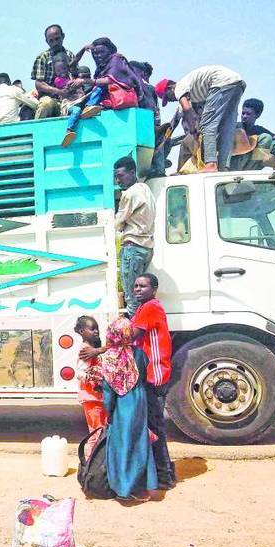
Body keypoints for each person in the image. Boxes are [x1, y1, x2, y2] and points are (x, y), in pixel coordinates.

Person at [100, 317, 158, 501]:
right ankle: (144, 485)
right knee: (140, 441)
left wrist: (109, 412)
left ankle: (123, 488)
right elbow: (143, 372)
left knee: (122, 443)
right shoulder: (139, 354)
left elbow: (109, 391)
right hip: (139, 400)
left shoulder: (109, 359)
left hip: (122, 405)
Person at [62, 38, 153, 147]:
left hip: (124, 96)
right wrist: (82, 50)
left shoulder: (116, 60)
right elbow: (72, 66)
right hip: (109, 100)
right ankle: (72, 126)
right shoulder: (102, 66)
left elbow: (110, 80)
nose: (98, 56)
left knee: (100, 87)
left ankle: (89, 106)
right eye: (95, 53)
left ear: (110, 51)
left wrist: (84, 81)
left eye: (101, 52)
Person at [130, 273, 176, 489]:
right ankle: (161, 472)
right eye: (136, 286)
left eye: (143, 286)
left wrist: (99, 349)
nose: (138, 289)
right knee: (152, 426)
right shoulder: (142, 308)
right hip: (149, 374)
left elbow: (129, 335)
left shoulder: (150, 307)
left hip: (155, 375)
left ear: (154, 289)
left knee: (155, 428)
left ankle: (165, 476)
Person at [156, 65, 246, 172]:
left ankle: (211, 163)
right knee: (227, 129)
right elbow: (176, 120)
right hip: (237, 84)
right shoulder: (191, 89)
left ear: (170, 88)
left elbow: (187, 109)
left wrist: (194, 131)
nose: (171, 100)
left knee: (207, 126)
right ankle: (223, 167)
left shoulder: (179, 87)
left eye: (168, 97)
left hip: (221, 83)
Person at [114, 156, 155, 316]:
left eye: (120, 176)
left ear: (132, 172)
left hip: (132, 249)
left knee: (132, 298)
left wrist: (121, 225)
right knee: (142, 298)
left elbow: (118, 223)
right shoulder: (145, 189)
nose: (118, 181)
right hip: (146, 248)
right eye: (116, 177)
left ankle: (134, 338)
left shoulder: (129, 194)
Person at [74, 315, 106, 459]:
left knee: (100, 430)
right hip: (91, 398)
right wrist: (94, 380)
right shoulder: (86, 350)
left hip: (96, 398)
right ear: (81, 331)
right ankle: (89, 462)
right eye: (92, 329)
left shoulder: (92, 348)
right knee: (96, 432)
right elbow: (80, 372)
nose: (96, 332)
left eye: (97, 329)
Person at [230, 98, 275, 171]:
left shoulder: (258, 130)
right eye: (243, 113)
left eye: (248, 114)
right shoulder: (235, 127)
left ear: (257, 115)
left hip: (251, 163)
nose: (244, 116)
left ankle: (253, 169)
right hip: (234, 162)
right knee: (266, 137)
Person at [31, 24, 76, 119]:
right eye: (51, 41)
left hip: (69, 98)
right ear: (47, 42)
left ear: (63, 36)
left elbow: (75, 76)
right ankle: (38, 131)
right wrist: (59, 92)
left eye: (57, 39)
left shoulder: (70, 55)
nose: (55, 43)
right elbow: (39, 84)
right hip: (50, 98)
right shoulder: (43, 57)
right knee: (45, 104)